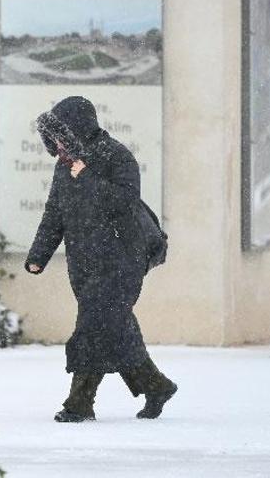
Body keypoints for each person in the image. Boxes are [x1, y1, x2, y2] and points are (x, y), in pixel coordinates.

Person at [24, 95, 177, 423]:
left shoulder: (116, 156)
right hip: (84, 264)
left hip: (121, 261)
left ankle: (79, 403)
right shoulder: (64, 166)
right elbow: (55, 214)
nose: (57, 146)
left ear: (77, 129)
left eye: (61, 137)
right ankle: (156, 385)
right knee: (114, 329)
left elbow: (125, 202)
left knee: (91, 328)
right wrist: (39, 255)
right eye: (53, 140)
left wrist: (88, 176)